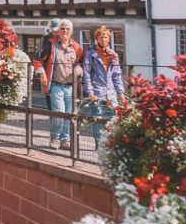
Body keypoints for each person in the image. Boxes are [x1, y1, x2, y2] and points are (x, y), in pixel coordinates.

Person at [34, 19, 84, 151]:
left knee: (69, 114)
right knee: (59, 112)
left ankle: (65, 140)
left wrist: (80, 69)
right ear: (58, 31)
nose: (65, 31)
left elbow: (82, 63)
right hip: (56, 85)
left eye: (67, 29)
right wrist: (42, 74)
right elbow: (37, 59)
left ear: (72, 31)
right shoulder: (51, 45)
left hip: (71, 87)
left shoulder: (77, 48)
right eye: (62, 29)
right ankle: (55, 138)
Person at [80, 27, 126, 148]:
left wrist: (120, 92)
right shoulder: (91, 54)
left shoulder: (113, 54)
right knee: (98, 120)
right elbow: (87, 74)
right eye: (101, 37)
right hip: (97, 92)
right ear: (97, 39)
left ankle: (111, 146)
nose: (104, 39)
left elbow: (117, 75)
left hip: (110, 92)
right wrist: (89, 91)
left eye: (106, 37)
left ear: (109, 39)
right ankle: (99, 146)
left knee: (113, 119)